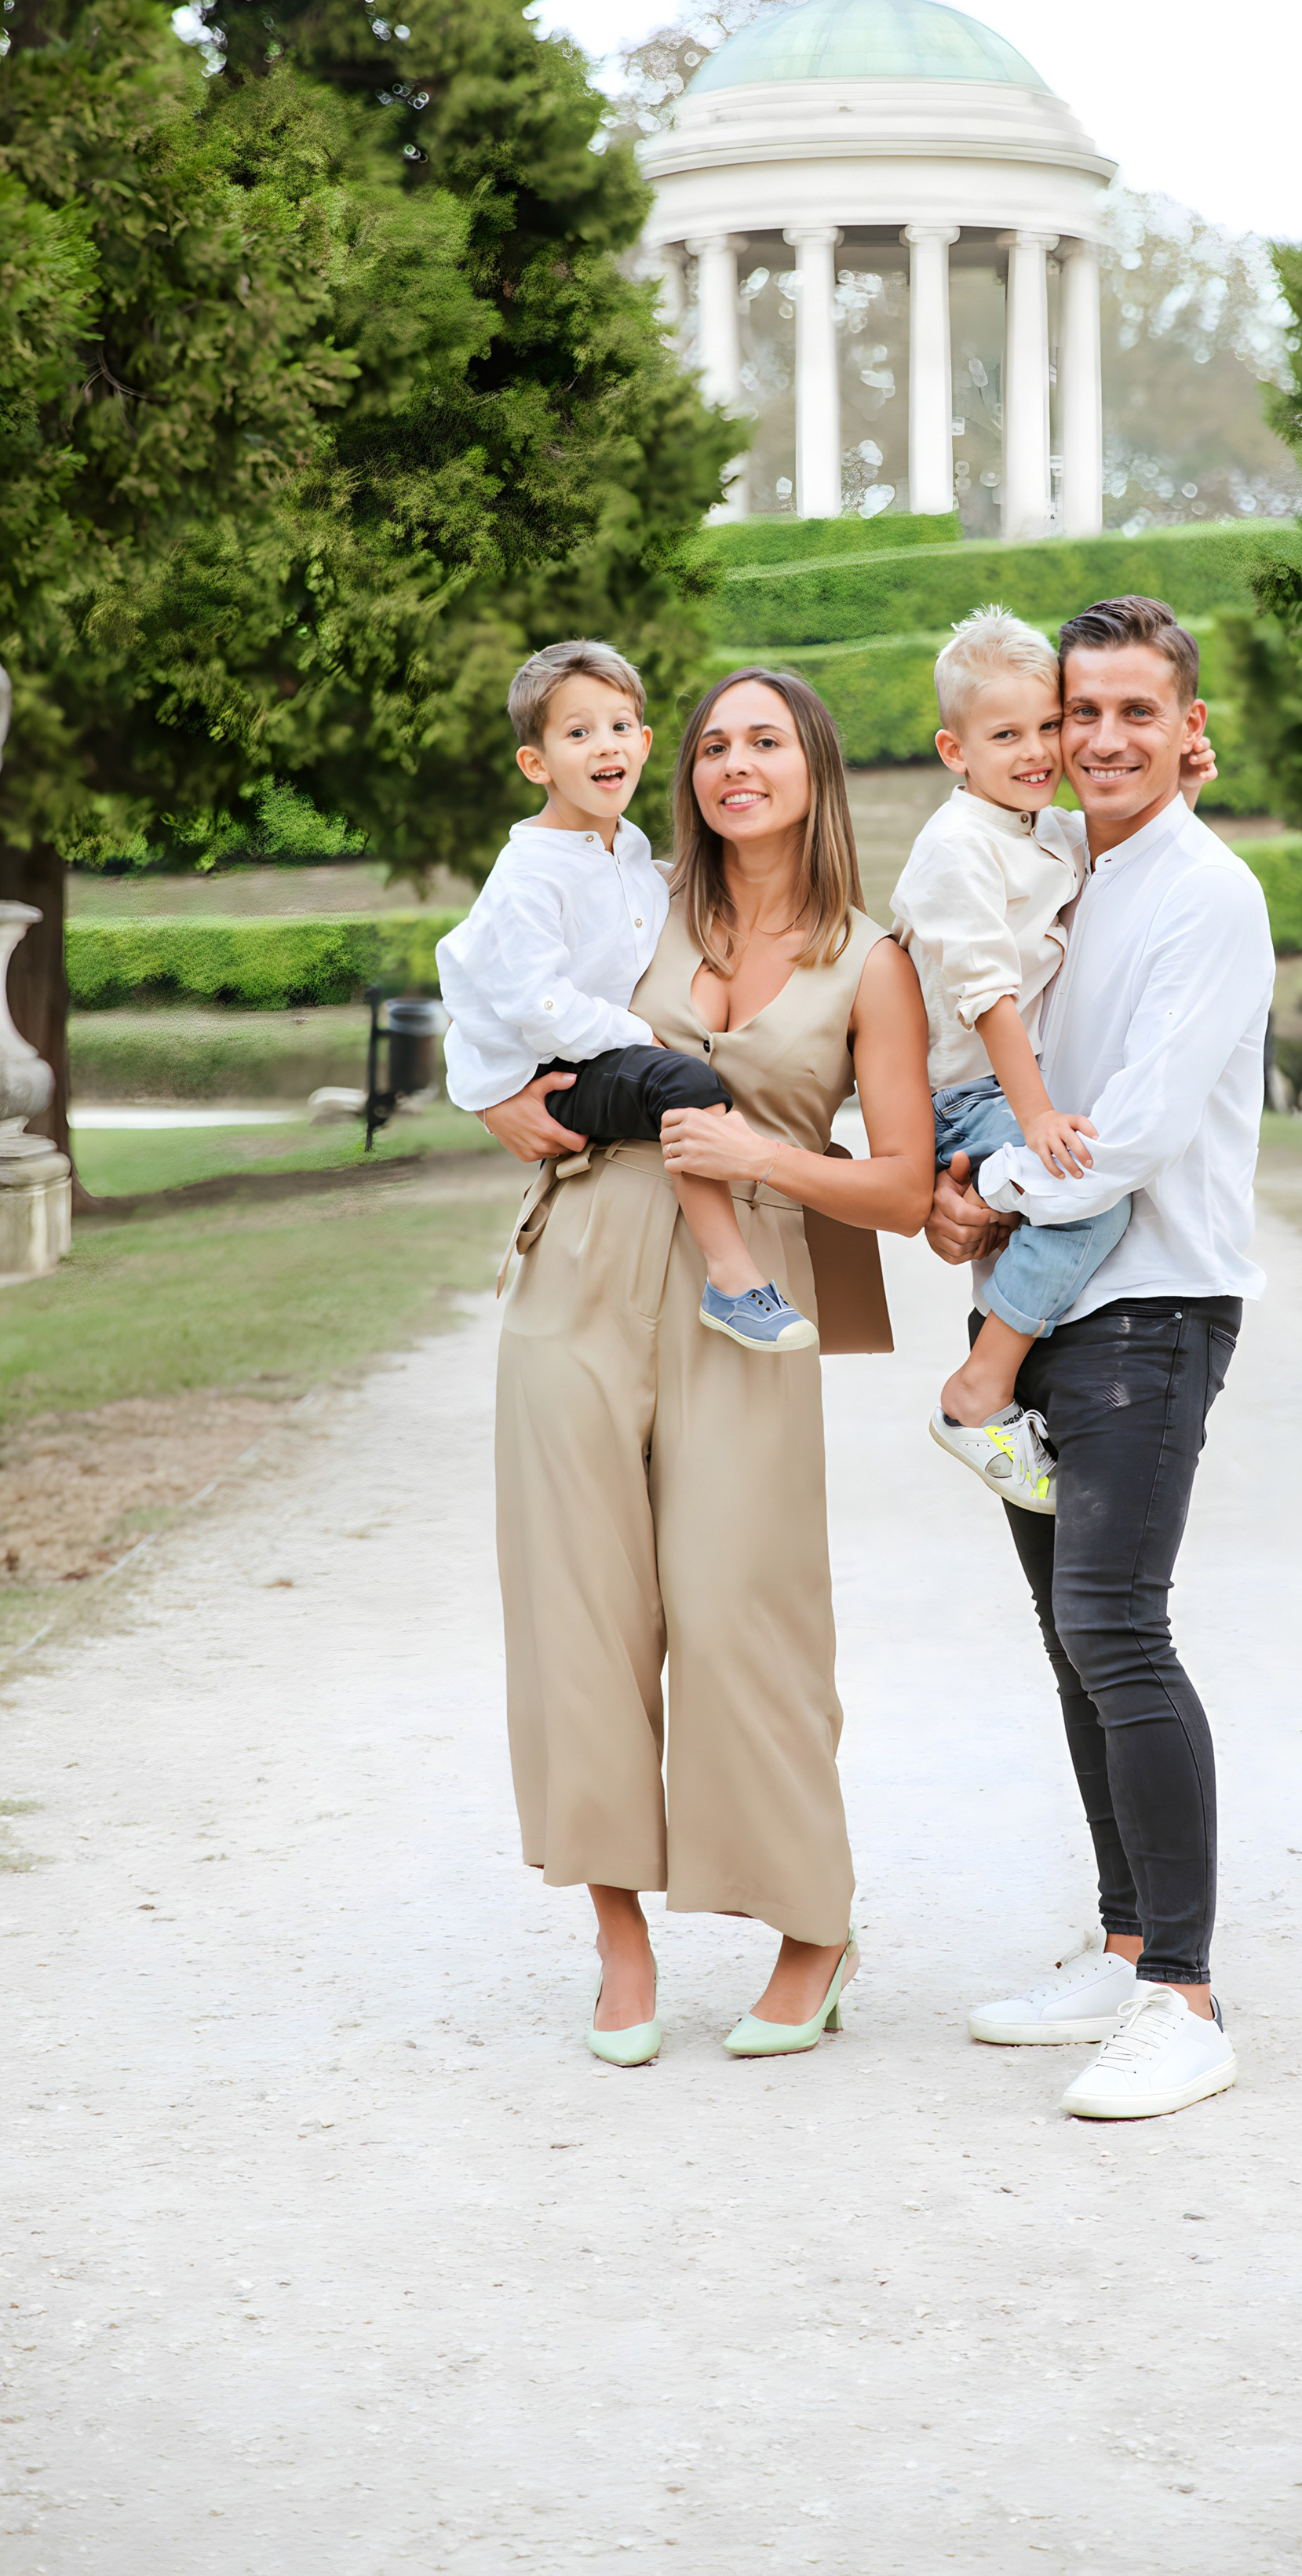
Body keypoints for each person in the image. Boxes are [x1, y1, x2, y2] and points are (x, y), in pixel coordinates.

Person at [476, 666, 934, 2067]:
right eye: (715, 744)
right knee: (580, 1612)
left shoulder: (874, 955)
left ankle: (815, 1926)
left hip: (752, 1290)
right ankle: (621, 1943)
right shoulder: (630, 899)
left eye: (767, 741)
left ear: (816, 767)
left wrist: (765, 1156)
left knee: (747, 1610)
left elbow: (907, 1189)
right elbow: (492, 990)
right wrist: (494, 1099)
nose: (736, 764)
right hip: (582, 1270)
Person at [925, 595, 1275, 2124]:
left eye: (1137, 711)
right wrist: (973, 1188)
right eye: (1081, 713)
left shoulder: (1207, 894)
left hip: (1153, 1305)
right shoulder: (1069, 871)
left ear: (1187, 730)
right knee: (1073, 1637)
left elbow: (1123, 1132)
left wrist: (977, 1193)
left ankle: (1181, 1996)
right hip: (1053, 1300)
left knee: (1116, 1627)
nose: (1104, 738)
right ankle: (1124, 1937)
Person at [890, 607, 1214, 1512]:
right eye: (1005, 735)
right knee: (1085, 1200)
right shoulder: (956, 847)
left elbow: (1122, 862)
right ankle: (976, 1391)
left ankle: (995, 1374)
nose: (1036, 751)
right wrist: (1031, 1117)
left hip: (1011, 1078)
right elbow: (985, 995)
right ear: (954, 751)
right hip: (970, 1088)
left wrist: (1180, 795)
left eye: (1045, 725)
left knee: (1069, 1190)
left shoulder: (1038, 825)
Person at [436, 639, 818, 1355]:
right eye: (577, 733)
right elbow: (529, 1000)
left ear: (643, 744)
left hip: (586, 1056)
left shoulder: (630, 849)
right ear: (536, 763)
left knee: (674, 1079)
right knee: (680, 1079)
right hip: (553, 1071)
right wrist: (636, 1035)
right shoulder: (529, 875)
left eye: (618, 728)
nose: (603, 746)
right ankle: (733, 1278)